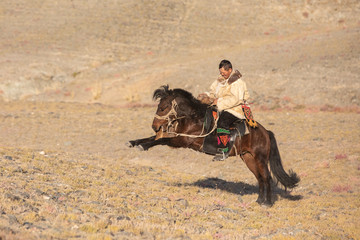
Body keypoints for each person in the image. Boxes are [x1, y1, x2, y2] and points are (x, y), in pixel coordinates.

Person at [198, 59, 254, 161]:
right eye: (221, 73)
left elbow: (236, 99)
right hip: (223, 106)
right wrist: (206, 96)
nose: (222, 74)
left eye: (223, 73)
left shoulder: (238, 83)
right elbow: (212, 92)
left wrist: (218, 102)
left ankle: (223, 150)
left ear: (230, 70)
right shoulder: (220, 80)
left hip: (235, 109)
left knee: (222, 121)